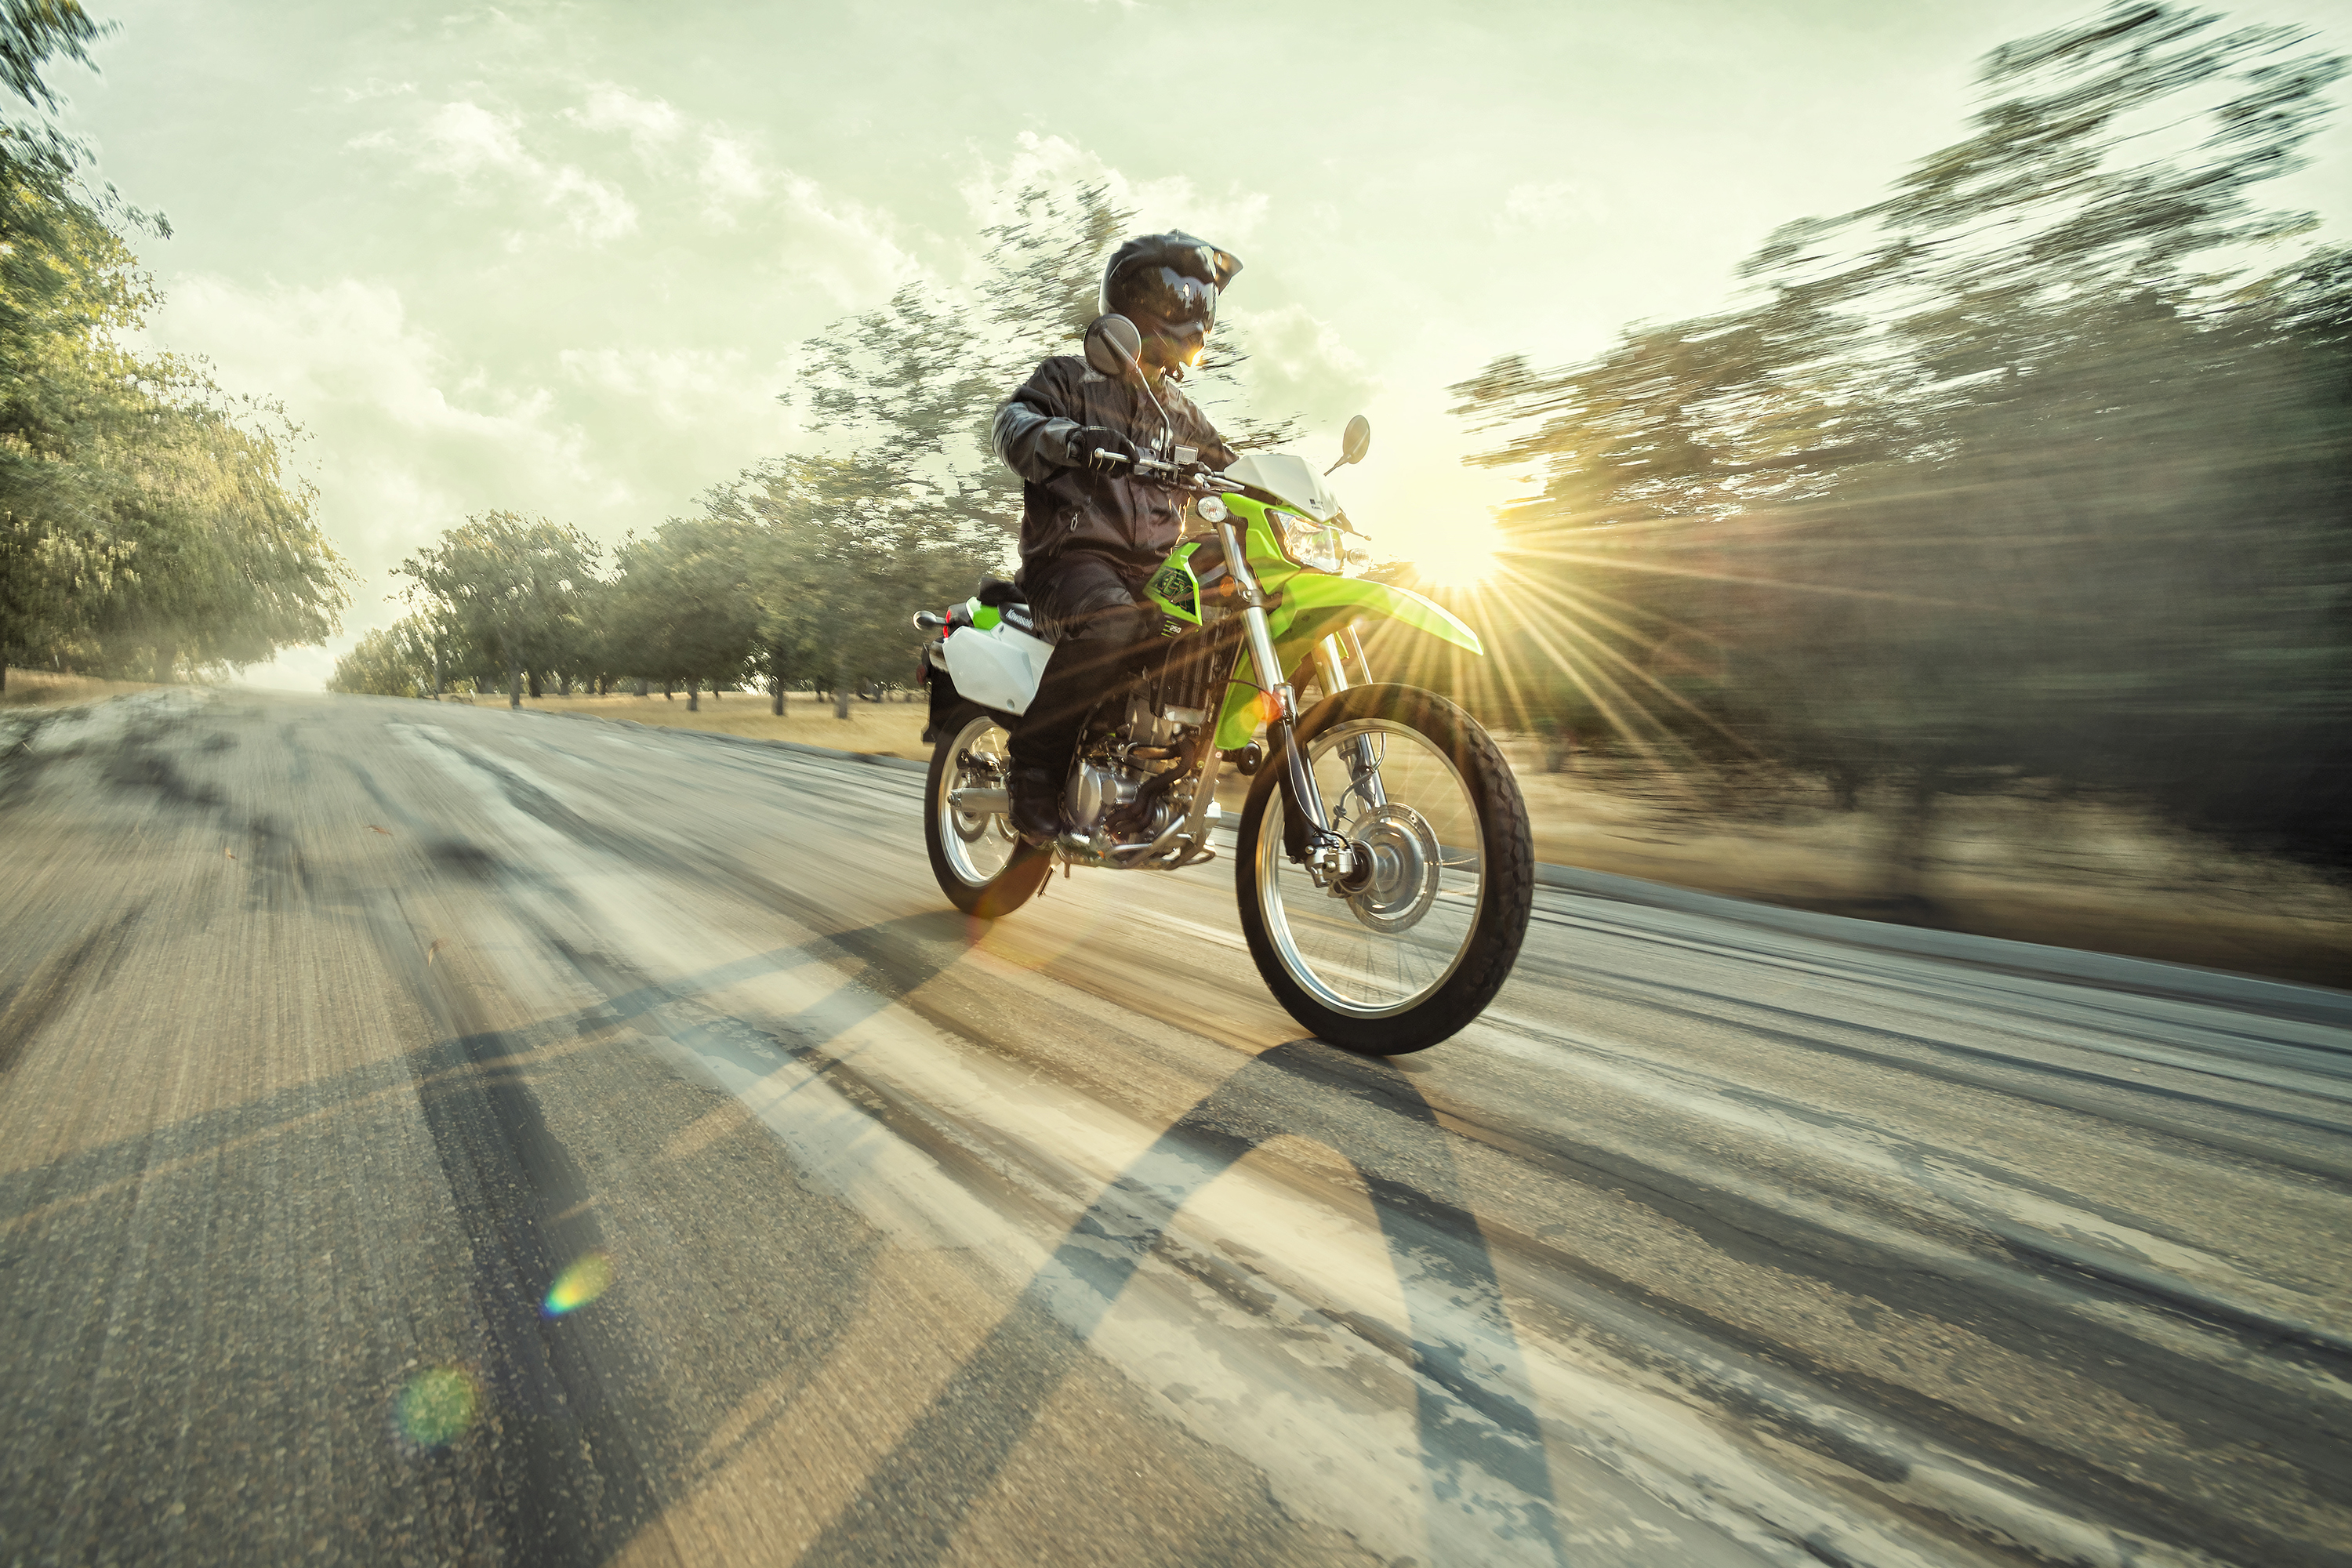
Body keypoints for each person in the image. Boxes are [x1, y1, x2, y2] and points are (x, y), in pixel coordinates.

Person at [989, 230, 1240, 844]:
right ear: (1137, 302)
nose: (1198, 313)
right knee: (1113, 622)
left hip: (1155, 571)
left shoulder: (1180, 412)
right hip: (1070, 561)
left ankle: (1157, 776)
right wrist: (1068, 440)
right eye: (1186, 296)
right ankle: (1035, 769)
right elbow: (1011, 424)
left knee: (1217, 625)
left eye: (1204, 299)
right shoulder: (1069, 380)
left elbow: (1236, 469)